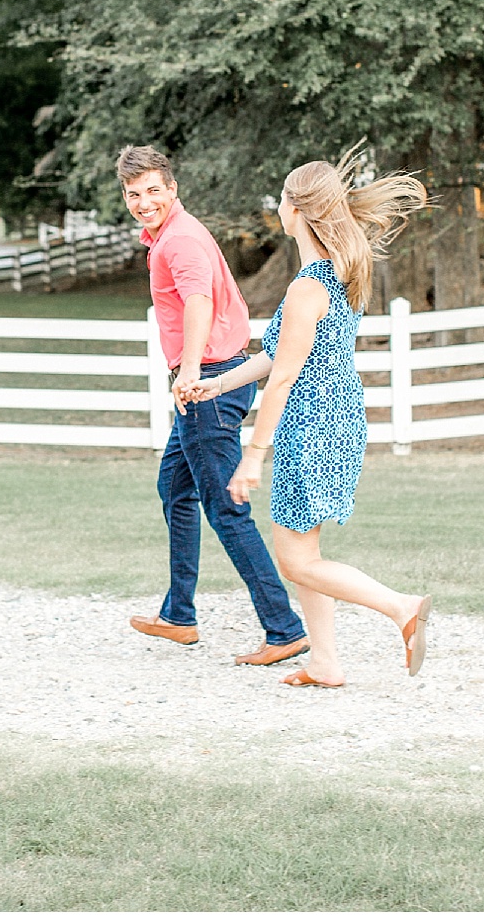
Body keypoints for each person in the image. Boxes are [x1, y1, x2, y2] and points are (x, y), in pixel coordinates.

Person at [182, 149, 432, 687]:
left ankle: (401, 608)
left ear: (295, 210)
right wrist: (217, 382)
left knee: (295, 561)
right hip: (338, 419)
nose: (278, 205)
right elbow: (277, 355)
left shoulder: (307, 287)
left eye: (282, 198)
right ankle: (324, 662)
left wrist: (252, 457)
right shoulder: (336, 275)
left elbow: (284, 379)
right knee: (305, 548)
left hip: (312, 426)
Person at [117, 145, 311, 667]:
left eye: (153, 190)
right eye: (134, 194)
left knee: (226, 506)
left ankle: (284, 627)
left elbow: (199, 303)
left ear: (173, 189)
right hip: (214, 373)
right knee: (174, 489)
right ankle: (178, 614)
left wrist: (188, 373)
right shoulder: (174, 235)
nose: (143, 202)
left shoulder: (178, 241)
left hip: (209, 381)